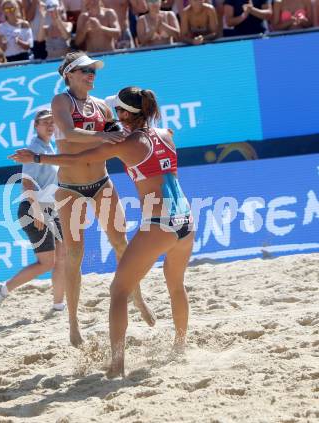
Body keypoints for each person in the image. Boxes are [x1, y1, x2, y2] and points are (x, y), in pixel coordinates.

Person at [10, 86, 194, 378]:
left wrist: (37, 159)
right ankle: (180, 347)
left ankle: (117, 364)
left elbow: (78, 160)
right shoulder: (167, 135)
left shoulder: (126, 144)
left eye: (119, 111)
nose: (115, 117)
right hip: (186, 221)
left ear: (125, 113)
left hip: (160, 224)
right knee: (176, 286)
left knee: (118, 291)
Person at [15, 51, 155, 347]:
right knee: (74, 256)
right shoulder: (61, 101)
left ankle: (138, 299)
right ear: (69, 74)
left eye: (93, 70)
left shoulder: (102, 105)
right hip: (70, 188)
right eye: (84, 70)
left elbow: (120, 135)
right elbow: (67, 132)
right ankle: (73, 324)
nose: (91, 74)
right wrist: (104, 137)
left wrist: (124, 135)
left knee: (122, 244)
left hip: (101, 182)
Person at [0, 109, 66, 316]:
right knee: (47, 262)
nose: (50, 125)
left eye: (53, 121)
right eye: (45, 122)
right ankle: (3, 289)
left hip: (52, 209)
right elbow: (26, 183)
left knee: (61, 258)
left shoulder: (49, 147)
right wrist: (38, 210)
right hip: (34, 209)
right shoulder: (33, 149)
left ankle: (59, 306)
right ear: (35, 125)